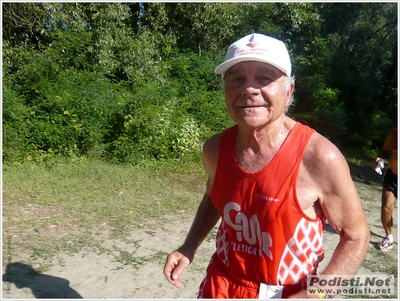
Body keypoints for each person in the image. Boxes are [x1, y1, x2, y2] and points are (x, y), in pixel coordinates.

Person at [163, 33, 370, 298]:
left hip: (290, 292)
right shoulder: (215, 149)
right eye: (236, 79)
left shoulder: (319, 157)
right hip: (222, 284)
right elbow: (213, 197)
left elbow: (355, 236)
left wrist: (316, 294)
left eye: (264, 77)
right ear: (225, 90)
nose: (248, 89)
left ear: (289, 90)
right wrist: (188, 246)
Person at [373, 128, 398, 251]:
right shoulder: (393, 134)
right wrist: (379, 159)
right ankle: (389, 238)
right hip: (393, 176)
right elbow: (383, 151)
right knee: (386, 208)